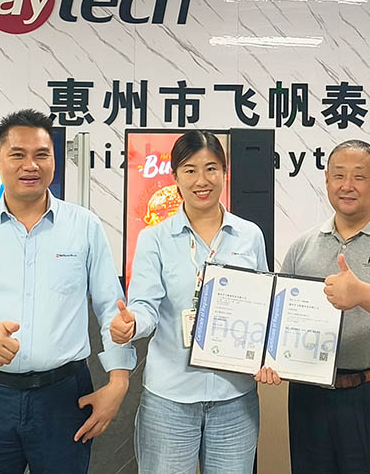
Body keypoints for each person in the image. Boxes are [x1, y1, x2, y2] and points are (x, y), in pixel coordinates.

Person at [0, 109, 135, 474]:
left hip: (64, 396)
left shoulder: (84, 226)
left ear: (54, 159)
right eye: (18, 155)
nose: (31, 165)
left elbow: (112, 308)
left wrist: (118, 381)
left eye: (42, 154)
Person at [109, 131, 271, 474]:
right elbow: (145, 305)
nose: (202, 180)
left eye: (211, 168)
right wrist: (132, 324)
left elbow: (263, 308)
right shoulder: (155, 238)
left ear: (225, 172)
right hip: (170, 398)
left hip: (234, 397)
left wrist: (269, 355)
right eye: (190, 170)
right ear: (175, 177)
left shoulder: (249, 236)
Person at [273, 139, 370, 473]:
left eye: (359, 176)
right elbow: (280, 318)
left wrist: (362, 294)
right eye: (338, 175)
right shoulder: (302, 246)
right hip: (311, 396)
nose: (347, 185)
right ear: (326, 179)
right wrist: (266, 357)